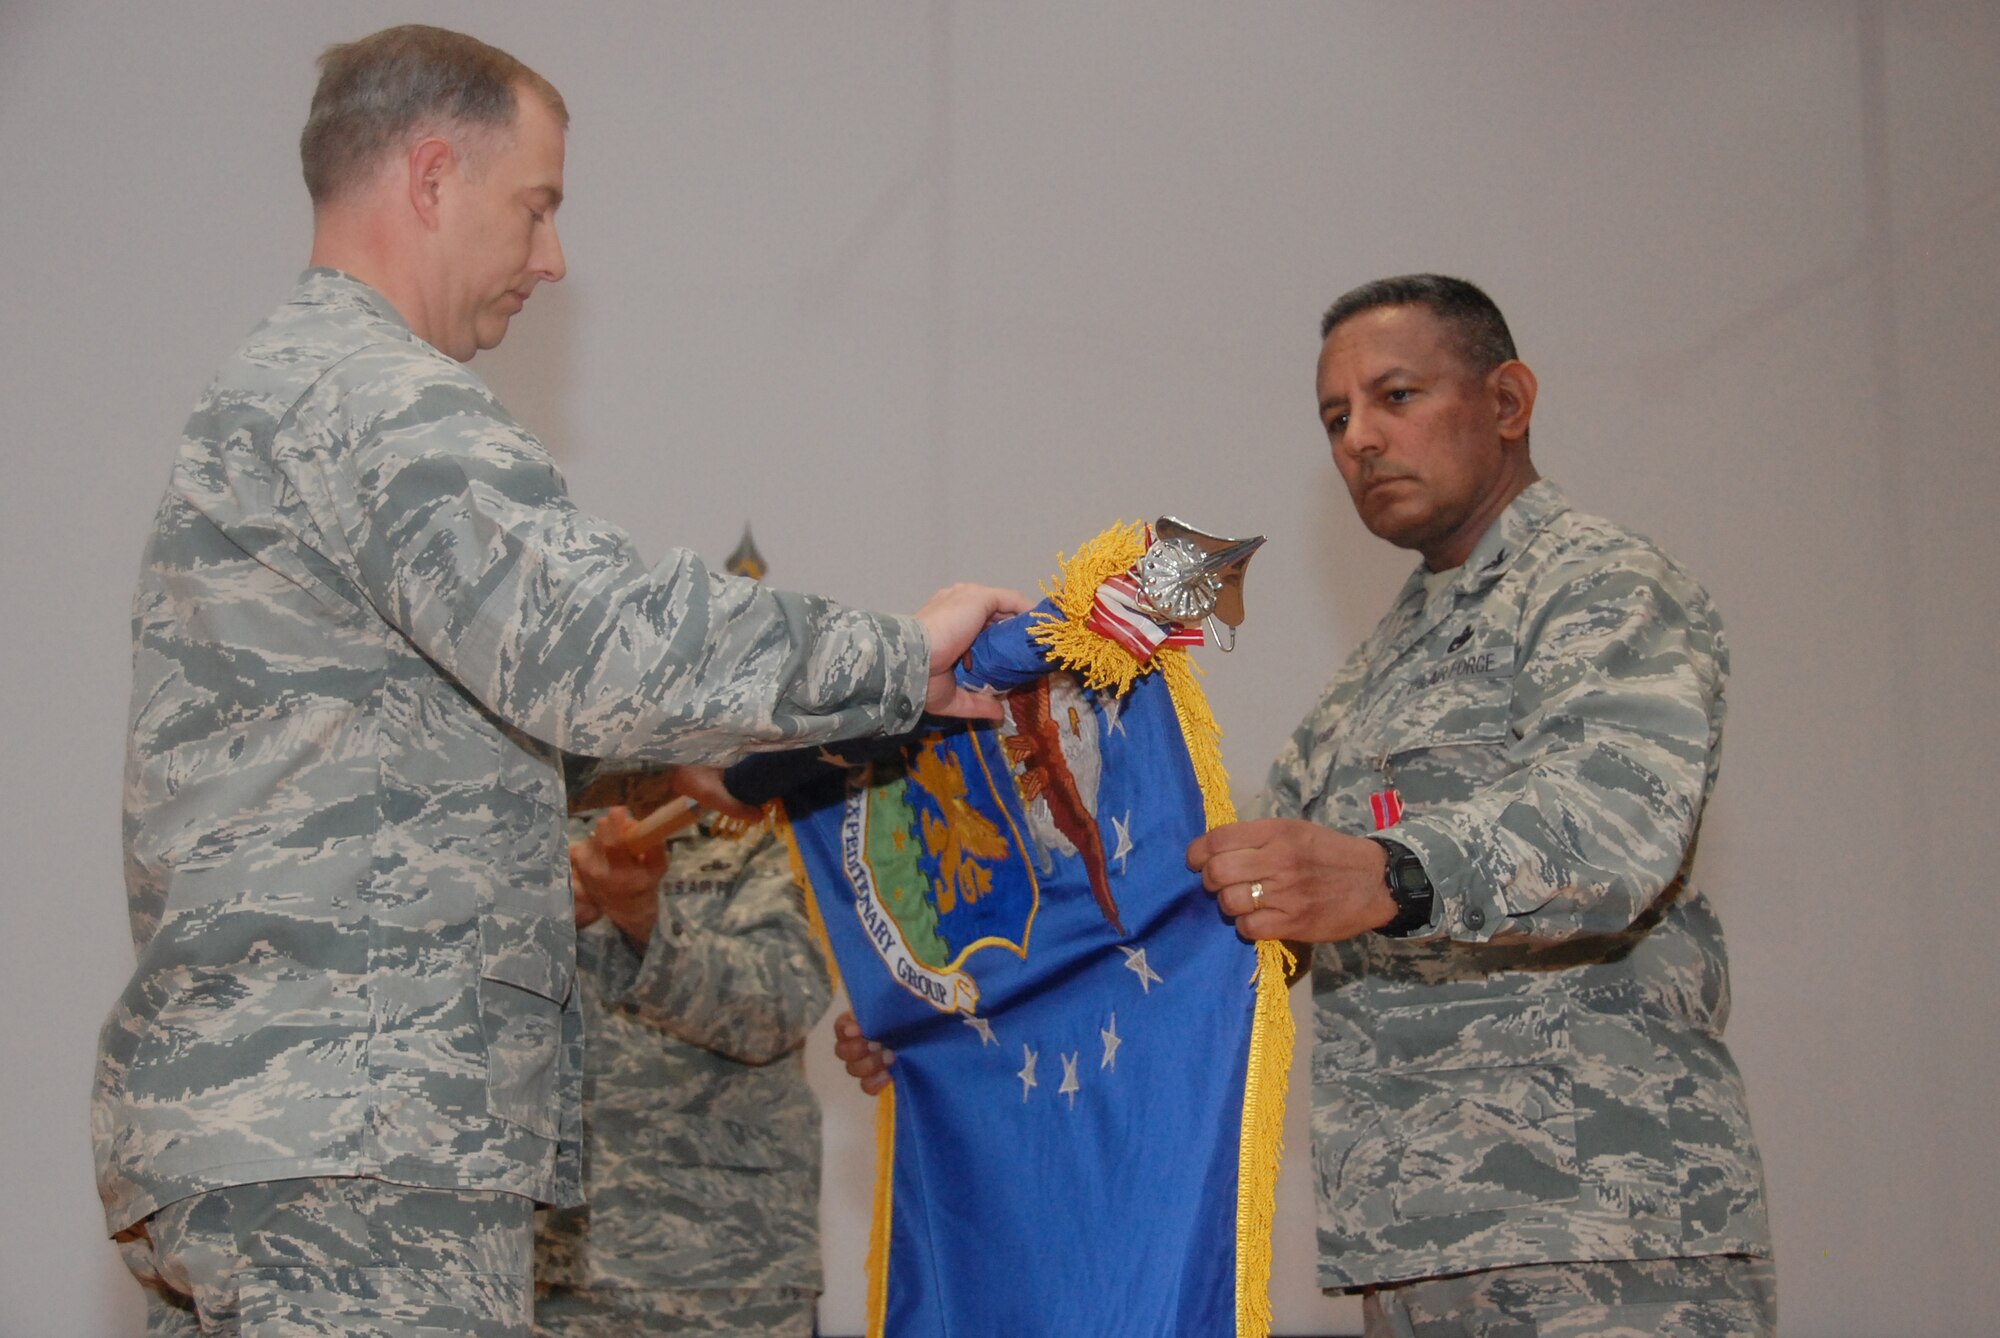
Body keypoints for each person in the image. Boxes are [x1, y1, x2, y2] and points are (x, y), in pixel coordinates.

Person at [94, 25, 1022, 1337]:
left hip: (280, 1130)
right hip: (364, 1141)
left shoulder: (278, 393)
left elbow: (396, 716)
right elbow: (595, 639)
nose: (552, 257)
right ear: (432, 178)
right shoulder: (379, 397)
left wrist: (653, 762)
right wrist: (893, 651)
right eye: (535, 206)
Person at [1185, 274, 1775, 1335]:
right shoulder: (1375, 670)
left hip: (1600, 1237)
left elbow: (1615, 824)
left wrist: (1385, 874)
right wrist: (962, 1000)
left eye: (1394, 396)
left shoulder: (1599, 584)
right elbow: (1240, 887)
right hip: (1420, 1248)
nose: (1358, 438)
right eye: (1333, 418)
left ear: (1505, 403)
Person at [536, 766, 828, 1338]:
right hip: (536, 1261)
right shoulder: (514, 819)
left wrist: (640, 917)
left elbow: (781, 1007)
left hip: (722, 1263)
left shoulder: (762, 819)